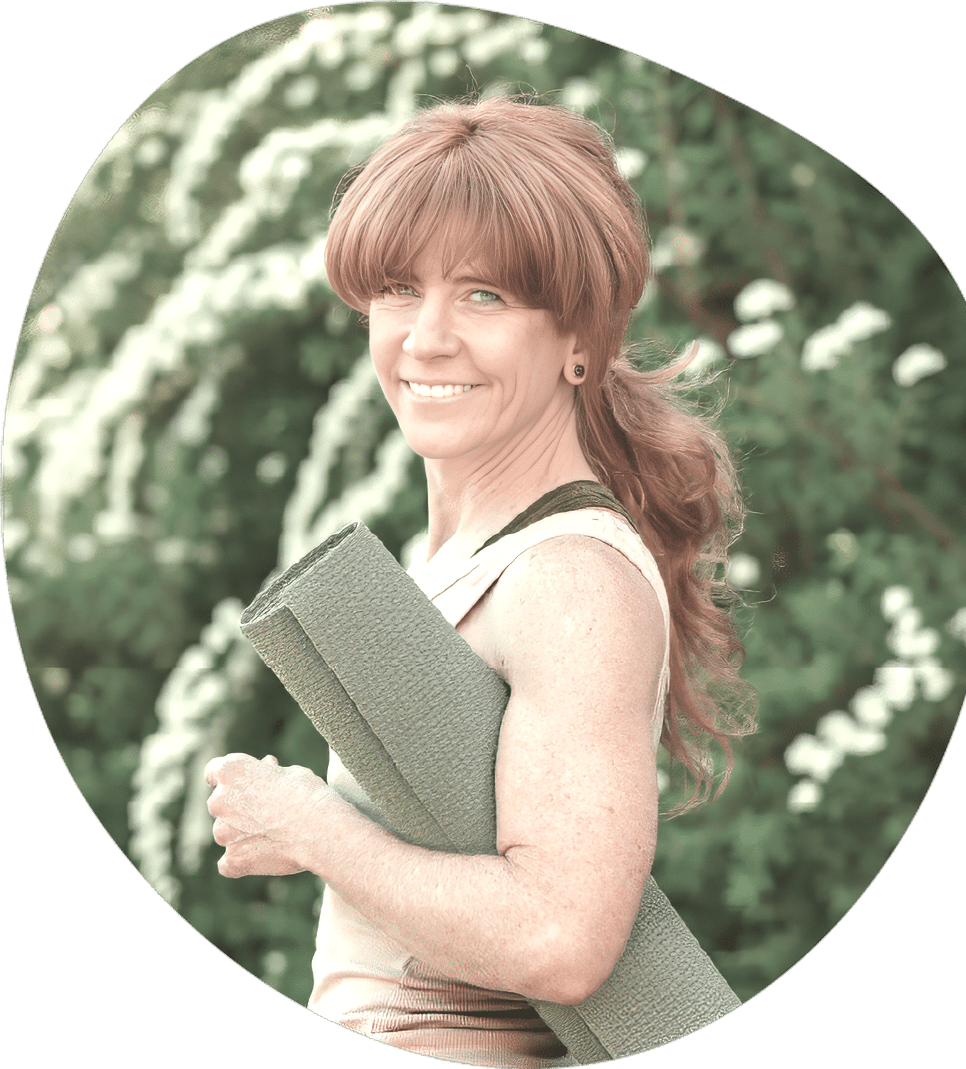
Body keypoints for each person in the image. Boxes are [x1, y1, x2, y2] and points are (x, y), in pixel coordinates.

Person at [205, 96, 754, 1067]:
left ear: (580, 338)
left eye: (484, 296)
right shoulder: (473, 559)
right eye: (397, 290)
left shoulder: (570, 578)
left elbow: (562, 937)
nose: (425, 337)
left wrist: (310, 826)